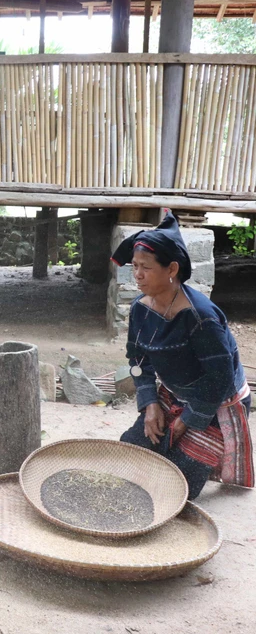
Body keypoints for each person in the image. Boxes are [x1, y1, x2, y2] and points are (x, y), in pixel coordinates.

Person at [112, 212, 252, 499]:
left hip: (216, 401)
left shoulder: (201, 317)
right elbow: (138, 362)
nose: (136, 275)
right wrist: (150, 403)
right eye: (134, 266)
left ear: (172, 268)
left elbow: (220, 378)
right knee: (127, 455)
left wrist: (187, 420)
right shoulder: (141, 308)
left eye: (146, 268)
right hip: (174, 394)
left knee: (175, 488)